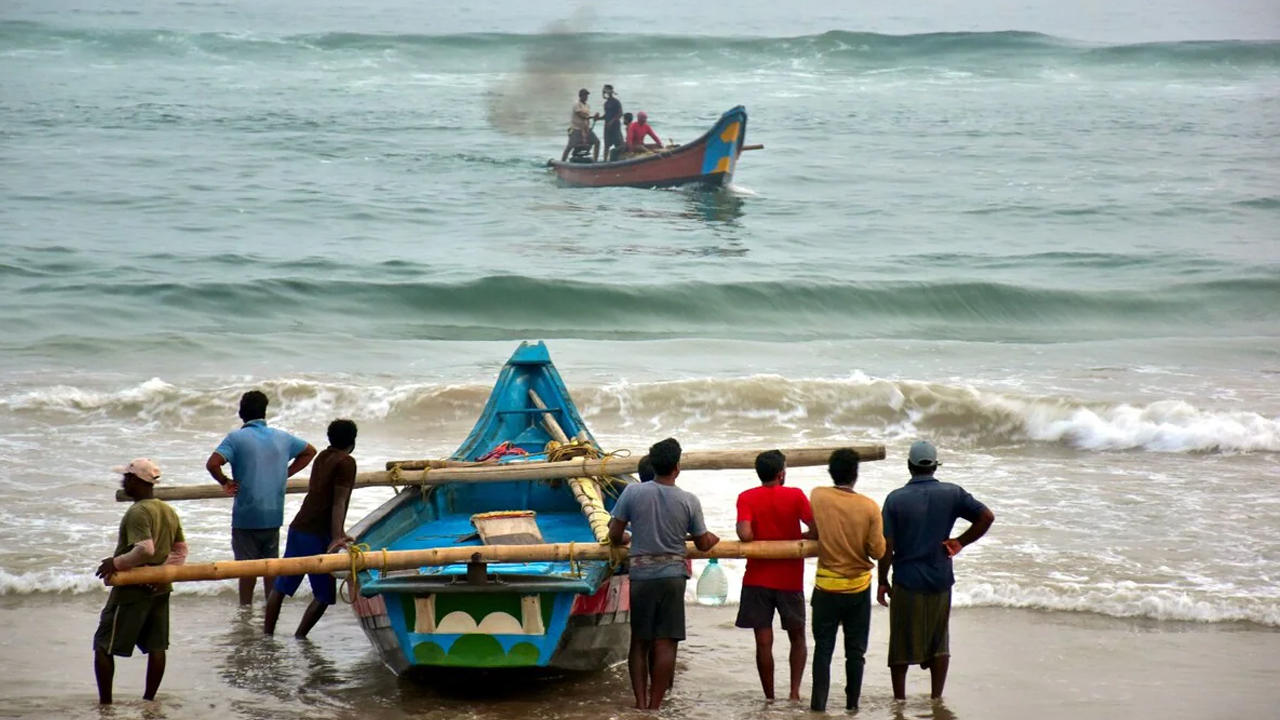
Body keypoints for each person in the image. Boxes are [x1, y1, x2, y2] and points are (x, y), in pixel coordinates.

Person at [877, 441, 995, 700]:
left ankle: (900, 700)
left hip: (907, 580)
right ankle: (936, 698)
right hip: (940, 577)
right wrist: (960, 542)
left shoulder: (895, 499)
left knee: (901, 642)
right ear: (934, 466)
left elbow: (887, 545)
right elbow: (986, 517)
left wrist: (882, 580)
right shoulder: (952, 493)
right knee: (939, 641)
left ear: (909, 466)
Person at [608, 438, 719, 710]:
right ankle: (656, 706)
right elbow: (703, 543)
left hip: (641, 575)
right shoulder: (688, 500)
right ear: (677, 467)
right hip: (672, 576)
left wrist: (628, 538)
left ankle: (641, 703)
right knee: (666, 642)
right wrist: (713, 539)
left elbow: (614, 534)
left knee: (639, 641)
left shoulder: (633, 493)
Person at [206, 390, 316, 606]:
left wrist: (225, 482)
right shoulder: (283, 437)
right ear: (264, 412)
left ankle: (245, 611)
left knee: (246, 570)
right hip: (273, 513)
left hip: (247, 514)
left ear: (241, 413)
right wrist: (285, 473)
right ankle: (270, 610)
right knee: (270, 567)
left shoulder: (235, 439)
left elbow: (212, 464)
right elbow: (310, 451)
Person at [93, 459, 188, 705]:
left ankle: (105, 704)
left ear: (137, 481)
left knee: (104, 644)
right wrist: (160, 575)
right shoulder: (167, 510)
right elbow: (180, 551)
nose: (123, 481)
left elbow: (145, 549)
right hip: (160, 587)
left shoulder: (137, 511)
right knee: (157, 646)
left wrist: (116, 563)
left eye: (126, 477)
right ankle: (149, 701)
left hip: (132, 589)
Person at [733, 450, 816, 702]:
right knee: (797, 636)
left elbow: (745, 535)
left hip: (757, 577)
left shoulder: (746, 497)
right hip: (790, 578)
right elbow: (817, 529)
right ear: (782, 473)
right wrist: (798, 539)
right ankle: (794, 693)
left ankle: (769, 697)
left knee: (763, 641)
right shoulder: (795, 495)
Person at [264, 419, 358, 638]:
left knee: (282, 585)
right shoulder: (347, 462)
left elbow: (323, 496)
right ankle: (300, 637)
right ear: (352, 441)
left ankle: (267, 635)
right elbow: (338, 501)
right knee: (324, 594)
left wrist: (338, 532)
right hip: (317, 534)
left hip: (299, 527)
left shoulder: (323, 457)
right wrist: (336, 538)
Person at [808, 448, 886, 712]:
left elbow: (816, 529)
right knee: (855, 653)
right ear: (856, 475)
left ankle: (818, 706)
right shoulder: (869, 507)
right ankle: (852, 707)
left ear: (831, 472)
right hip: (858, 589)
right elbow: (878, 551)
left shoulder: (818, 495)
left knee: (823, 650)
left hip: (826, 586)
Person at [561, 88, 601, 162]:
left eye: (587, 95)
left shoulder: (587, 105)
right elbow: (582, 116)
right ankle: (562, 162)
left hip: (586, 129)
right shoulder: (577, 104)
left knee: (597, 142)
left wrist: (595, 118)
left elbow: (587, 118)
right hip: (576, 129)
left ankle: (595, 161)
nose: (586, 97)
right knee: (570, 146)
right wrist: (592, 117)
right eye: (585, 95)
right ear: (581, 96)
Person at [601, 84, 624, 161]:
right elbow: (606, 115)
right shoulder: (606, 103)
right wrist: (598, 118)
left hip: (615, 127)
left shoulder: (616, 102)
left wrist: (612, 121)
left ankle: (620, 159)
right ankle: (605, 161)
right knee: (606, 145)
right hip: (607, 127)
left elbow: (620, 113)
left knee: (619, 144)